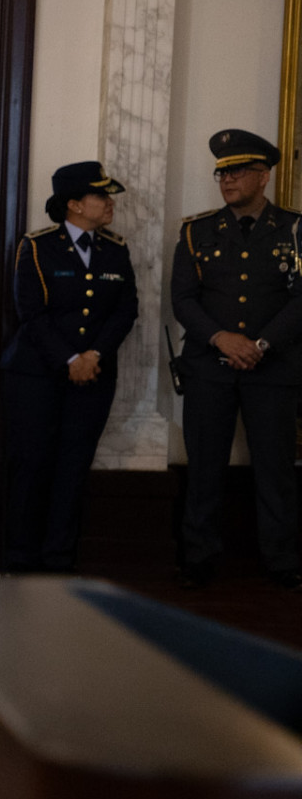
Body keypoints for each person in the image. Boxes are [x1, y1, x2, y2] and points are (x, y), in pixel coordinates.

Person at [171, 129, 302, 590]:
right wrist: (221, 338)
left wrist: (260, 345)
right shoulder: (196, 231)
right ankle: (199, 556)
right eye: (222, 172)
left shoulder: (294, 229)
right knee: (204, 466)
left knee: (275, 468)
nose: (227, 180)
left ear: (264, 177)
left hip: (274, 369)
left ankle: (282, 559)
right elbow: (183, 299)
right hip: (209, 367)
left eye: (238, 171)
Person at [0, 162, 136, 573]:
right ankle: (20, 559)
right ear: (74, 204)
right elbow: (31, 313)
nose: (110, 203)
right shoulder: (37, 247)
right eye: (101, 196)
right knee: (31, 466)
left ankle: (58, 560)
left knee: (73, 468)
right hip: (36, 376)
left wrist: (94, 355)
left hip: (93, 377)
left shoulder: (116, 249)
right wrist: (70, 359)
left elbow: (125, 311)